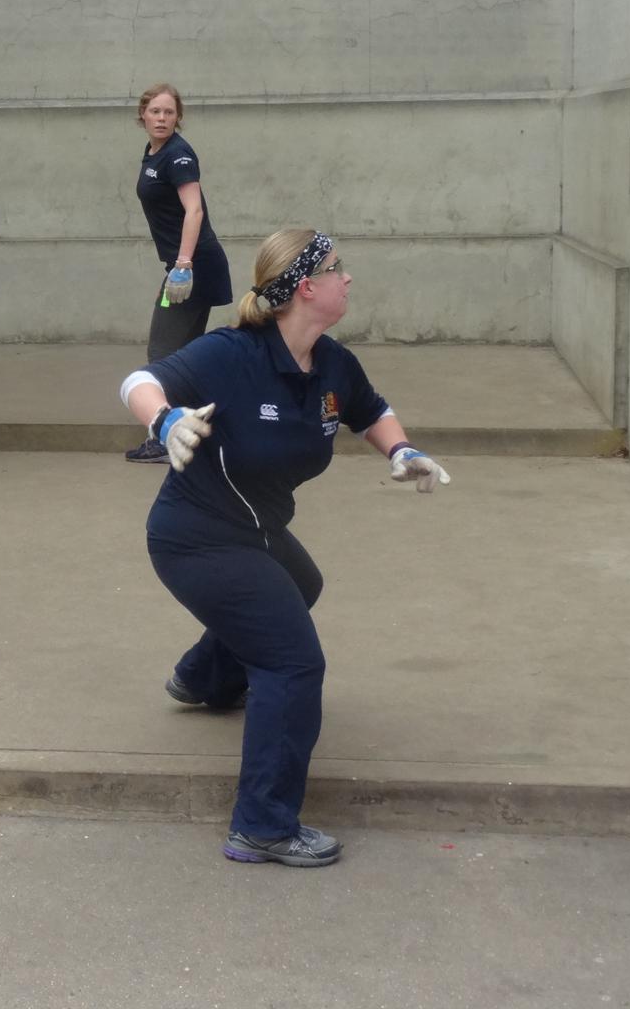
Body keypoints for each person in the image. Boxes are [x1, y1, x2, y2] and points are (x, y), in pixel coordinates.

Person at [118, 228, 451, 867]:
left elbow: (370, 409)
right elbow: (137, 380)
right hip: (196, 539)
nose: (348, 278)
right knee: (293, 662)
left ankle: (203, 678)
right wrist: (164, 420)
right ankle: (263, 826)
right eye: (337, 268)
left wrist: (402, 449)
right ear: (306, 287)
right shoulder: (230, 354)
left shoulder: (330, 362)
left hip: (257, 532)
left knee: (302, 587)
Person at [125, 83, 234, 464]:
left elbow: (195, 210)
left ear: (178, 118)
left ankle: (164, 436)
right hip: (184, 266)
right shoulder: (154, 152)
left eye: (169, 113)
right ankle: (190, 429)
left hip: (193, 267)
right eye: (155, 111)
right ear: (143, 115)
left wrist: (184, 265)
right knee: (182, 354)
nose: (161, 118)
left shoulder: (179, 155)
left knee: (162, 351)